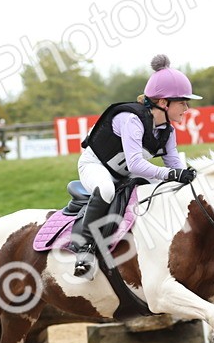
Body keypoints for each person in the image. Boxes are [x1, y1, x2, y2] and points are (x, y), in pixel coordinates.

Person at [67, 54, 199, 278]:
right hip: (95, 166)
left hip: (124, 174)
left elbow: (174, 163)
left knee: (165, 189)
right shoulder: (132, 119)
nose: (187, 108)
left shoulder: (168, 130)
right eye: (183, 102)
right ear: (163, 102)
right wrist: (171, 173)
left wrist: (188, 177)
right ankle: (84, 247)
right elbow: (136, 164)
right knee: (107, 190)